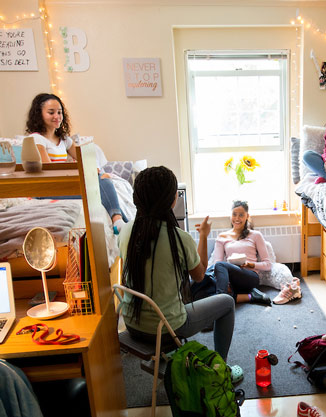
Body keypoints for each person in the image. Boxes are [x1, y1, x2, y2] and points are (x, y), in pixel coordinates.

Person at [119, 166, 235, 360]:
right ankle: (220, 367)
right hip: (167, 328)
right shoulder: (179, 238)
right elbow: (199, 276)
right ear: (173, 201)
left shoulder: (126, 230)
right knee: (227, 302)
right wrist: (204, 236)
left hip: (131, 324)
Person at [25, 93, 127, 233]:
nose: (57, 116)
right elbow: (50, 171)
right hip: (48, 189)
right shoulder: (36, 139)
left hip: (63, 184)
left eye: (59, 112)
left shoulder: (64, 139)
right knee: (99, 188)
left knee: (103, 182)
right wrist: (85, 173)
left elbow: (83, 159)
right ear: (39, 114)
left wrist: (94, 170)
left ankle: (119, 222)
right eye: (51, 112)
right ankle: (121, 223)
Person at [203, 200, 273, 306]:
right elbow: (216, 263)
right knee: (204, 290)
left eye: (241, 215)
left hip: (250, 278)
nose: (237, 218)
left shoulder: (255, 235)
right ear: (230, 216)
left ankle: (219, 304)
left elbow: (268, 265)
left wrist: (251, 265)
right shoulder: (222, 237)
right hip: (229, 278)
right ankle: (250, 297)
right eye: (234, 214)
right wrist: (224, 281)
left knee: (220, 266)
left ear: (247, 216)